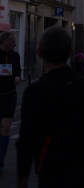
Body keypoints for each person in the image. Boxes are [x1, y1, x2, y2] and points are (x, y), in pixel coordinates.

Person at [16, 26, 84, 188]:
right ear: (70, 52)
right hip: (81, 173)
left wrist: (22, 179)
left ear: (39, 53)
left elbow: (26, 141)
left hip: (49, 174)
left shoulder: (34, 92)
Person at [0, 31, 21, 173]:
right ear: (5, 41)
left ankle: (0, 160)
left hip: (9, 96)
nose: (14, 43)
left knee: (6, 127)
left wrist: (18, 77)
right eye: (12, 41)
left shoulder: (15, 55)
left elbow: (17, 71)